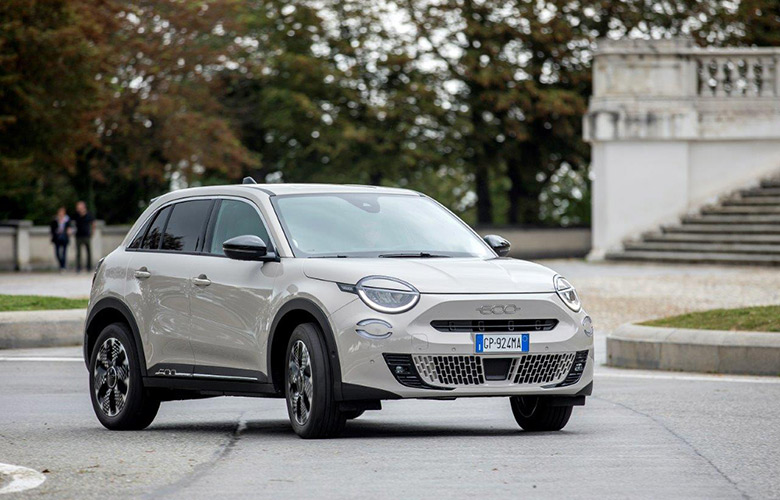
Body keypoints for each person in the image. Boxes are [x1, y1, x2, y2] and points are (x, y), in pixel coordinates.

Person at [73, 201, 95, 272]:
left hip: (86, 235)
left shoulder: (89, 214)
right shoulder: (76, 215)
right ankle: (78, 267)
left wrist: (92, 232)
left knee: (88, 251)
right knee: (78, 253)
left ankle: (89, 267)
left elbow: (93, 223)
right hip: (78, 235)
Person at [50, 207, 70, 272]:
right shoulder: (55, 220)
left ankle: (63, 266)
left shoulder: (67, 220)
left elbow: (69, 228)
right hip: (57, 238)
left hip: (64, 238)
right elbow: (52, 229)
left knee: (64, 253)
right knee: (57, 253)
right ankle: (61, 264)